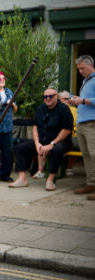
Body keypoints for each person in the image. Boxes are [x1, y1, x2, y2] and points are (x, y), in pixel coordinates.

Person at [9, 89, 73, 191]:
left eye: (50, 96)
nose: (47, 98)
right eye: (45, 97)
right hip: (42, 140)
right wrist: (37, 143)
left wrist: (52, 144)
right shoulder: (40, 108)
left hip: (60, 141)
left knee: (56, 150)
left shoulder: (64, 109)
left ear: (56, 96)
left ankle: (50, 180)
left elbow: (66, 130)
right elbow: (35, 127)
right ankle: (22, 179)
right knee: (20, 148)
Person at [70, 55, 95, 200]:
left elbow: (88, 101)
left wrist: (83, 100)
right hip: (82, 123)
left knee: (94, 155)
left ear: (90, 65)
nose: (79, 71)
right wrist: (76, 101)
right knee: (86, 155)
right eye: (78, 69)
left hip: (92, 123)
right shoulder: (86, 81)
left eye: (82, 68)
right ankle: (91, 183)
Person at [59, 91, 79, 176]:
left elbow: (76, 123)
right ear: (59, 100)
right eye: (65, 99)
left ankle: (69, 167)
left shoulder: (74, 110)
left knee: (75, 143)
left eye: (69, 99)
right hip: (57, 134)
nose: (68, 100)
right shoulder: (56, 109)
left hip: (72, 134)